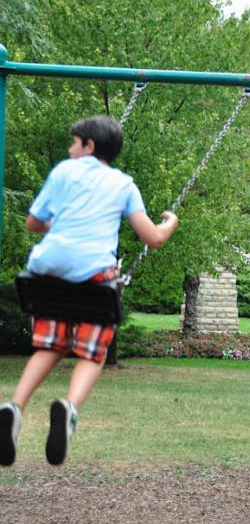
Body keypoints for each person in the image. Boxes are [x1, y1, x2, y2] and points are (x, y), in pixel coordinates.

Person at [0, 116, 178, 468]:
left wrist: (63, 221)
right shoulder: (124, 184)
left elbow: (34, 223)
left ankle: (14, 407)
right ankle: (69, 410)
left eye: (74, 142)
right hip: (92, 274)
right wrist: (170, 223)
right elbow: (153, 238)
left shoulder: (63, 171)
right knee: (92, 353)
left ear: (89, 147)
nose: (70, 149)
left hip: (46, 272)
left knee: (50, 346)